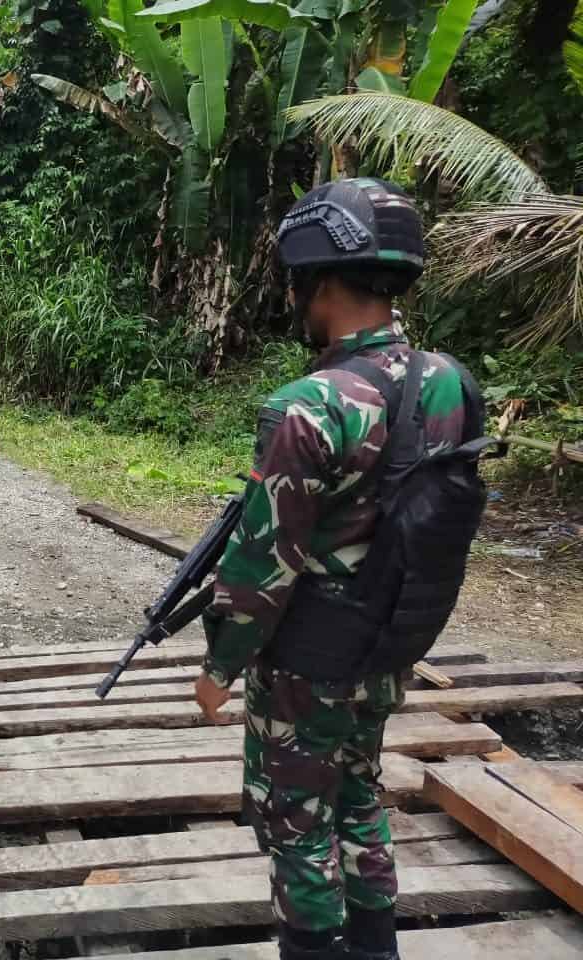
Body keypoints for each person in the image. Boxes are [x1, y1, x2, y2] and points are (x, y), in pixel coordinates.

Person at [193, 179, 485, 960]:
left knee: (294, 821)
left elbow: (266, 562)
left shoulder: (308, 404)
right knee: (360, 797)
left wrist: (220, 667)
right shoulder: (449, 380)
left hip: (306, 659)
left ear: (317, 283)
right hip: (388, 643)